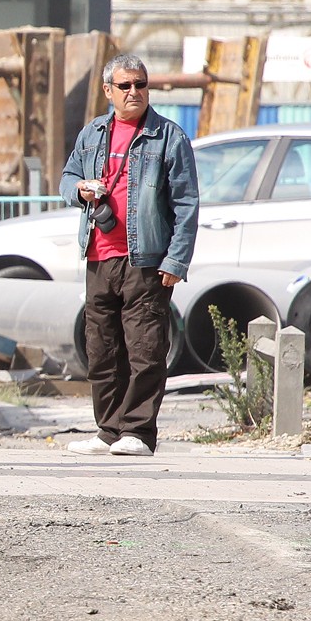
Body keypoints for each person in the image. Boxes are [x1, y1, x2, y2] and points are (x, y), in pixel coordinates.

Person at [60, 53, 199, 457]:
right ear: (109, 91)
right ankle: (109, 429)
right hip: (100, 257)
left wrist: (176, 260)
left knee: (145, 349)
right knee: (101, 348)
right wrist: (80, 190)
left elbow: (187, 204)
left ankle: (138, 432)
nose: (134, 92)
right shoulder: (93, 134)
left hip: (147, 259)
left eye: (141, 84)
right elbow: (67, 177)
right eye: (125, 86)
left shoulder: (168, 136)